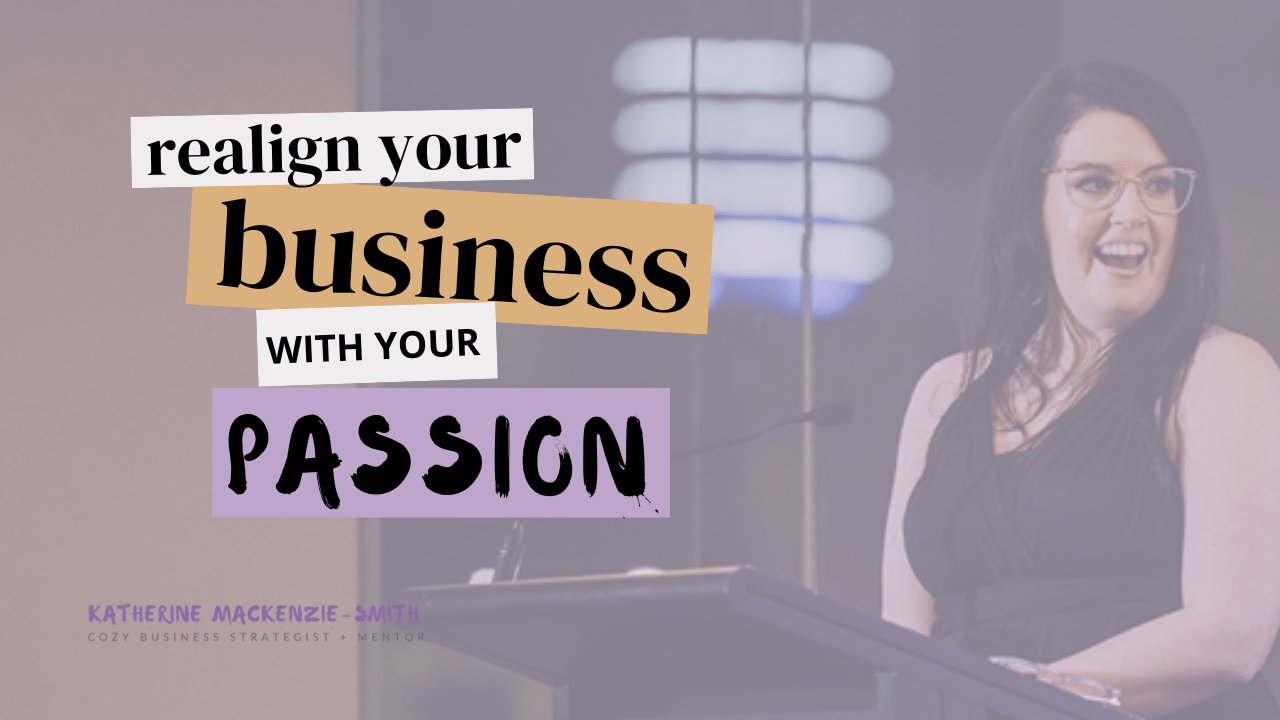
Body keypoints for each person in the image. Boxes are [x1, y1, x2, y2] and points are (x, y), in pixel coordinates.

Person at [881, 62, 1280, 719]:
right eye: (1095, 183)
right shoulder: (945, 390)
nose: (1133, 213)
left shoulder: (1222, 369)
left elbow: (1230, 636)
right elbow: (900, 645)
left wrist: (1023, 696)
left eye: (1158, 185)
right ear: (1029, 205)